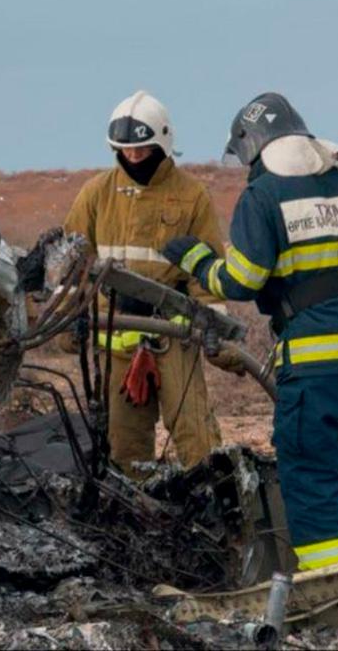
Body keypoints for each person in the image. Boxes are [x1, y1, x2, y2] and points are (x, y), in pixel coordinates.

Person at [163, 92, 338, 569]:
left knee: (309, 467)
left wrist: (196, 259)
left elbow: (243, 279)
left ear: (252, 147)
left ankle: (334, 579)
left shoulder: (263, 196)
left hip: (316, 360)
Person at [63, 91, 233, 477]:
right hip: (115, 343)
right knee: (123, 448)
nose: (134, 157)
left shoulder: (191, 196)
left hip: (173, 336)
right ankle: (135, 510)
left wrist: (216, 333)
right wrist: (69, 321)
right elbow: (73, 265)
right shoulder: (96, 194)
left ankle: (214, 501)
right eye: (126, 150)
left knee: (196, 437)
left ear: (163, 143)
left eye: (142, 149)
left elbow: (206, 274)